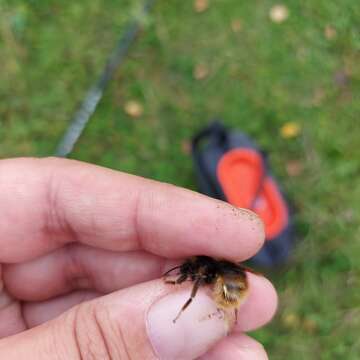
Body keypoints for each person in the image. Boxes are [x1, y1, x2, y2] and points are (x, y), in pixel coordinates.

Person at [0, 157, 277, 359]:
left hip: (229, 284)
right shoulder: (215, 270)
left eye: (188, 273)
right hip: (232, 284)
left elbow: (201, 274)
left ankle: (187, 308)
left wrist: (184, 307)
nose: (187, 274)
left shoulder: (205, 271)